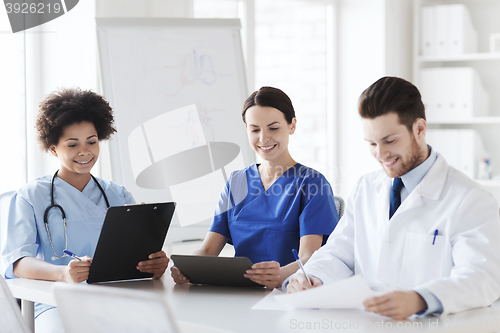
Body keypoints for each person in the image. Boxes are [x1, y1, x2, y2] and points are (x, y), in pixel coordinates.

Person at [285, 77, 500, 319]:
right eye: (372, 143)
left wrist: (420, 298)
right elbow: (338, 255)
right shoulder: (365, 188)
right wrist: (311, 277)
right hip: (367, 323)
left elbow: (482, 277)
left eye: (390, 141)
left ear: (419, 129)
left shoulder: (470, 199)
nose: (380, 154)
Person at [1, 88, 169, 332]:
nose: (85, 151)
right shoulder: (31, 196)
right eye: (72, 144)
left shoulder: (118, 195)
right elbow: (17, 263)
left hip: (119, 299)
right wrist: (63, 274)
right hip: (56, 301)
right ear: (53, 148)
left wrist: (155, 264)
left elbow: (138, 254)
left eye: (91, 141)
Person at [171, 86, 339, 289]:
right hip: (239, 293)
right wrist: (186, 269)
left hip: (288, 291)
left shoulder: (312, 184)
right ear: (246, 130)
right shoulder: (236, 182)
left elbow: (310, 256)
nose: (263, 138)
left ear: (292, 125)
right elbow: (208, 250)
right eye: (255, 129)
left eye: (273, 128)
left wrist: (280, 277)